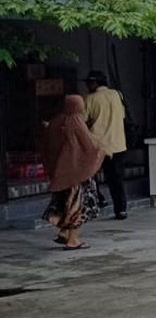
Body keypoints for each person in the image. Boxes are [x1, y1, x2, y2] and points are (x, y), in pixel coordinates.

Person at [42, 94, 106, 250]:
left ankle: (64, 233)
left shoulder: (56, 122)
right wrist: (103, 151)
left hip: (61, 173)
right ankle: (73, 240)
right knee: (78, 206)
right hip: (77, 172)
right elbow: (89, 145)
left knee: (66, 203)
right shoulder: (76, 122)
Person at [83, 70, 129, 219]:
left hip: (99, 145)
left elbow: (83, 120)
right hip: (118, 144)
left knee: (90, 175)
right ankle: (121, 209)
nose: (87, 86)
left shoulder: (90, 98)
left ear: (95, 83)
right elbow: (122, 116)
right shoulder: (117, 95)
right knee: (117, 180)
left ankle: (97, 201)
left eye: (89, 83)